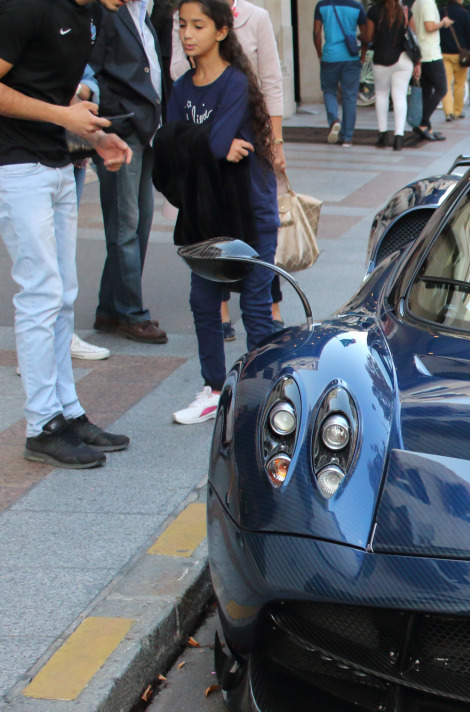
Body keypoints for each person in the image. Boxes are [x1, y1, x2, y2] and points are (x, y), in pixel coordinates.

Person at [0, 0, 133, 468]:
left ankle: (67, 413)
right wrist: (64, 118)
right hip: (15, 166)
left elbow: (49, 94)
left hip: (57, 163)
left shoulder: (93, 15)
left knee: (62, 293)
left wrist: (94, 137)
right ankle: (41, 426)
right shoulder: (26, 8)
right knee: (40, 293)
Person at [165, 0, 278, 425]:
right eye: (182, 25)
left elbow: (200, 143)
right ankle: (214, 389)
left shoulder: (234, 84)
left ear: (221, 32)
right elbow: (169, 145)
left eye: (198, 25)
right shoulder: (181, 87)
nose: (188, 34)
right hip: (207, 209)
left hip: (250, 208)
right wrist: (208, 142)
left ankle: (261, 391)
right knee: (202, 300)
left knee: (254, 303)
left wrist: (201, 142)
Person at [90, 0, 170, 345]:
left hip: (147, 131)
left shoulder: (144, 15)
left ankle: (109, 308)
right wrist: (122, 114)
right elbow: (92, 73)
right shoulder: (106, 13)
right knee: (125, 226)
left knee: (138, 224)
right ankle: (131, 315)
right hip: (122, 131)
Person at [366, 0, 418, 150]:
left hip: (381, 58)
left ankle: (383, 135)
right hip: (403, 59)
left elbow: (368, 36)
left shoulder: (374, 11)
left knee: (381, 94)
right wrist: (418, 63)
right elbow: (414, 38)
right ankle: (399, 137)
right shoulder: (406, 12)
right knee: (400, 97)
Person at [314, 0, 367, 147]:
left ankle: (334, 121)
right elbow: (366, 34)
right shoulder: (357, 6)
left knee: (329, 91)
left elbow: (316, 32)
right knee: (349, 97)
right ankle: (347, 138)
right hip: (351, 58)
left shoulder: (322, 5)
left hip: (330, 57)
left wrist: (320, 54)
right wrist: (362, 56)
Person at [410, 0, 452, 141]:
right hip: (431, 53)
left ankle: (428, 127)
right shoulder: (428, 3)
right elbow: (429, 26)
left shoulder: (416, 3)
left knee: (427, 91)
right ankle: (422, 122)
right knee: (442, 88)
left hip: (421, 51)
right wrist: (443, 23)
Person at [440, 0, 470, 121]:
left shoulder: (441, 12)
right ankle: (457, 111)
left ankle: (448, 112)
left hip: (444, 53)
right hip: (461, 55)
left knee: (446, 84)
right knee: (459, 84)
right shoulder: (465, 14)